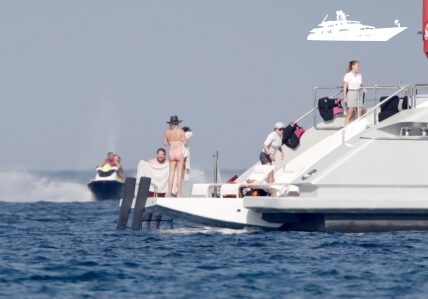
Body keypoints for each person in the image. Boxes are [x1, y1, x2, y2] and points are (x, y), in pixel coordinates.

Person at [163, 115, 187, 197]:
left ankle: (169, 193)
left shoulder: (167, 132)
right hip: (179, 152)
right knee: (179, 174)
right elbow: (185, 143)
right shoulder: (181, 131)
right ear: (177, 123)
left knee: (171, 174)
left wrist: (171, 142)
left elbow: (165, 143)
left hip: (172, 153)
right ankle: (179, 193)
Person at [146, 147, 167, 229]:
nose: (160, 156)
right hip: (152, 189)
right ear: (156, 154)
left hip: (161, 189)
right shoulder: (151, 162)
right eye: (159, 154)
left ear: (165, 155)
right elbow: (145, 168)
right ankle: (148, 227)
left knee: (159, 210)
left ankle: (157, 227)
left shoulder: (167, 163)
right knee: (149, 208)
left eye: (162, 154)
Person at [343, 60, 367, 126]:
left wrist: (363, 88)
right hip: (351, 93)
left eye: (359, 66)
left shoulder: (359, 75)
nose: (359, 67)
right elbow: (345, 87)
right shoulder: (348, 75)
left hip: (358, 93)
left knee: (361, 110)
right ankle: (346, 128)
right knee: (350, 112)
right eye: (358, 66)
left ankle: (360, 125)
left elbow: (360, 84)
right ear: (353, 66)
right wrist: (345, 97)